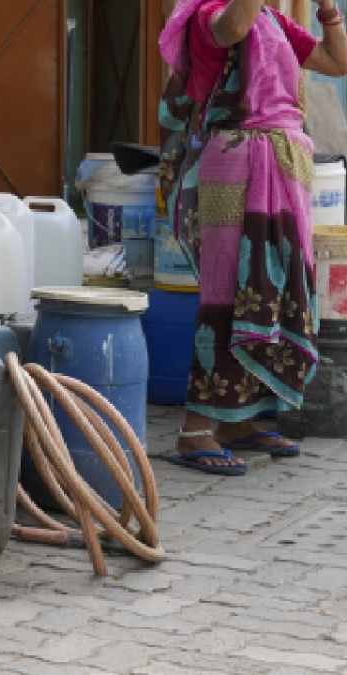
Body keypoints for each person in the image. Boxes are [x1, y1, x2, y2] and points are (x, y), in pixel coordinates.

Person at [159, 0, 347, 474]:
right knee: (228, 296)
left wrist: (329, 10)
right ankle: (195, 430)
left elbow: (336, 62)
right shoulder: (209, 14)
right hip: (237, 161)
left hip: (283, 164)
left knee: (271, 291)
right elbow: (232, 29)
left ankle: (237, 422)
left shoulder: (273, 20)